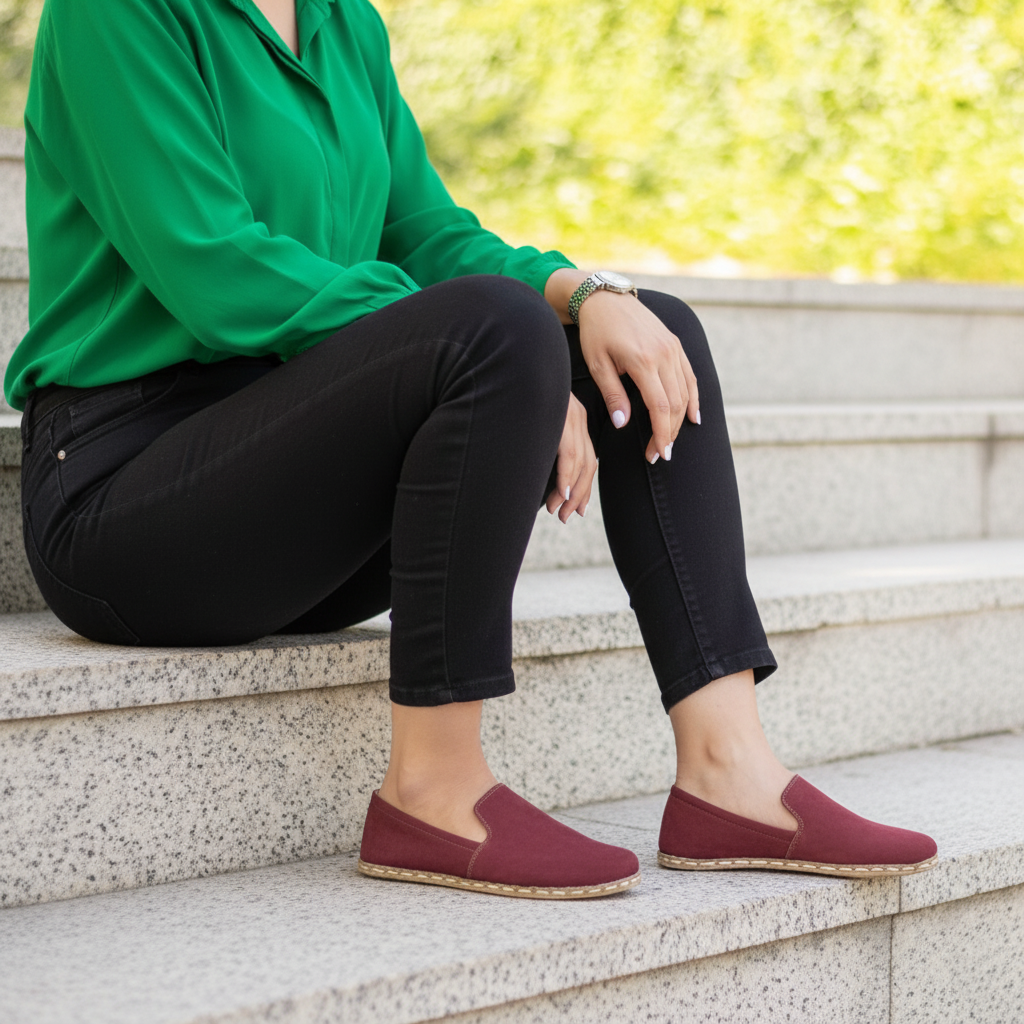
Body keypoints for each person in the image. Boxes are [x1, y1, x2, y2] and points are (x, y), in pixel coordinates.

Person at [7, 0, 936, 900]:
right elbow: (212, 265)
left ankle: (729, 775)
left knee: (651, 334)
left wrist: (579, 294)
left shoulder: (341, 19)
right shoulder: (116, 8)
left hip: (294, 497)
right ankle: (433, 792)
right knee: (500, 331)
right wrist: (522, 363)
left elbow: (424, 233)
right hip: (126, 499)